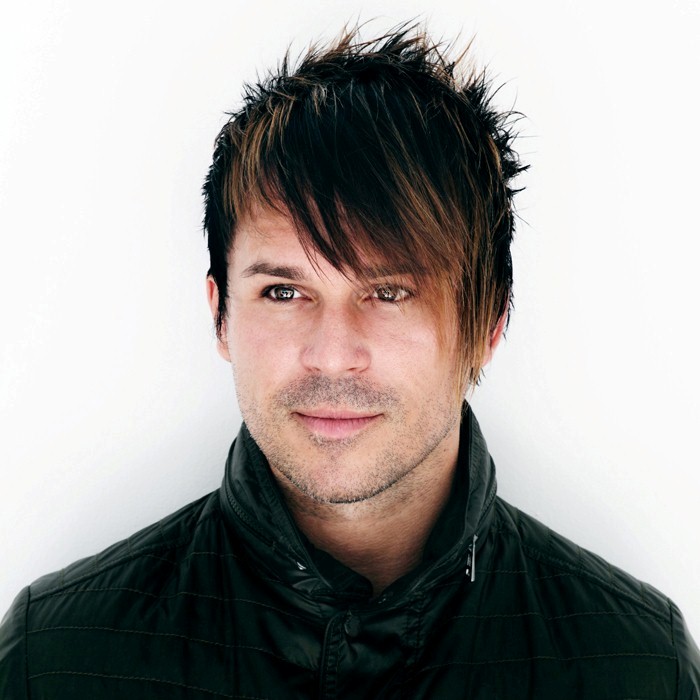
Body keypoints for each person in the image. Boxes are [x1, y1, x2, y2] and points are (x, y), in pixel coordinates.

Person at [1, 24, 698, 699]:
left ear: (488, 323)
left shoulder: (637, 666)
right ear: (220, 315)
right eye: (283, 291)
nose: (332, 355)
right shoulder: (55, 660)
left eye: (389, 293)